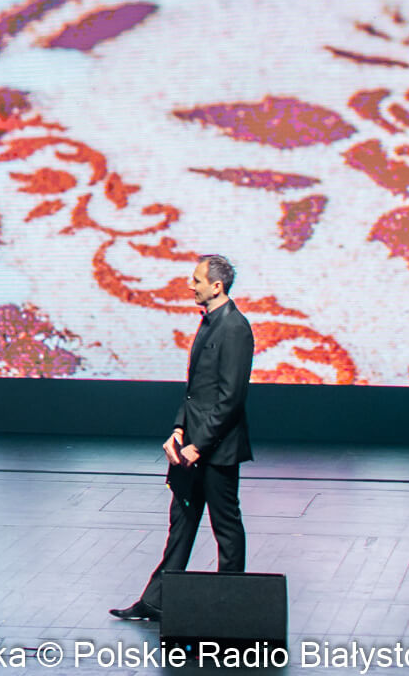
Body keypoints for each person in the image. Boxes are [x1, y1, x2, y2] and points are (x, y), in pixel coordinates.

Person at [111, 254, 254, 621]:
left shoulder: (234, 327)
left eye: (196, 280)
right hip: (190, 444)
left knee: (226, 527)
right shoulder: (208, 322)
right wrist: (178, 430)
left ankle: (231, 605)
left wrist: (198, 445)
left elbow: (230, 398)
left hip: (216, 450)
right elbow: (196, 390)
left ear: (216, 286)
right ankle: (156, 600)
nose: (190, 286)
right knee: (182, 523)